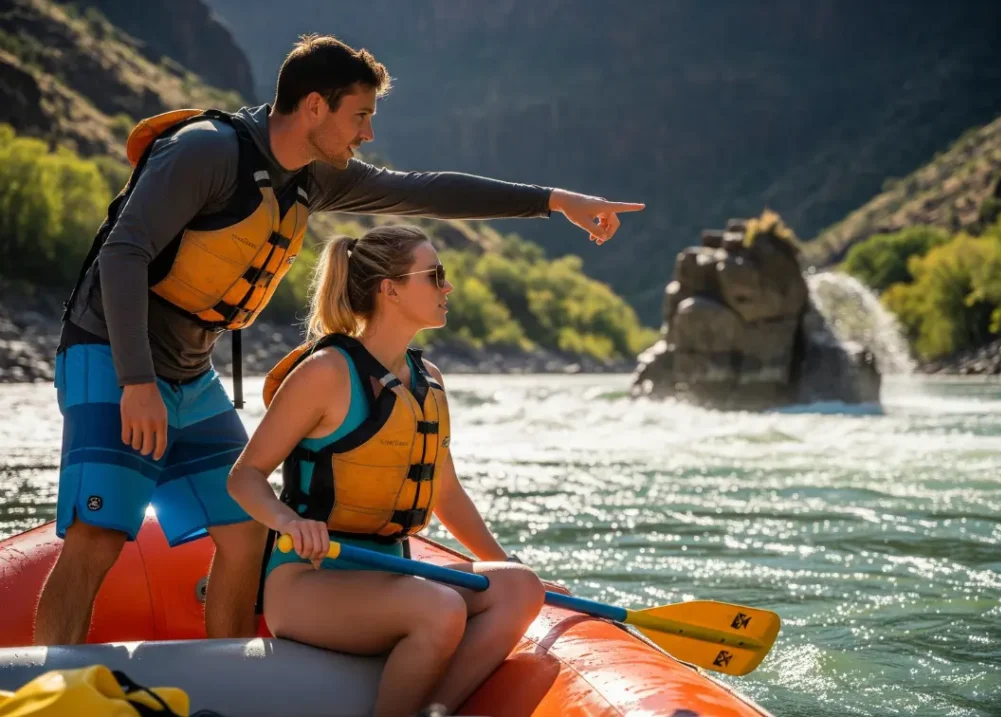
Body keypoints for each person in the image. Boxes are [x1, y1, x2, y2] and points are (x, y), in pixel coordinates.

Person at [35, 33, 643, 646]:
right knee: (99, 535)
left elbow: (425, 191)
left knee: (245, 531)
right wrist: (137, 381)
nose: (367, 134)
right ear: (315, 107)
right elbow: (123, 255)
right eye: (361, 116)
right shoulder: (205, 153)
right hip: (111, 353)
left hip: (190, 373)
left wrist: (559, 201)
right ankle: (48, 692)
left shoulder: (313, 179)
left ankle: (223, 686)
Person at [227, 225, 545, 717]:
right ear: (390, 289)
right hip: (309, 582)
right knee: (438, 608)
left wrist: (507, 563)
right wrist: (289, 523)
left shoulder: (428, 379)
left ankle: (433, 711)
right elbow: (244, 477)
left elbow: (446, 492)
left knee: (521, 586)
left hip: (393, 572)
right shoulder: (325, 373)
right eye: (435, 275)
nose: (448, 287)